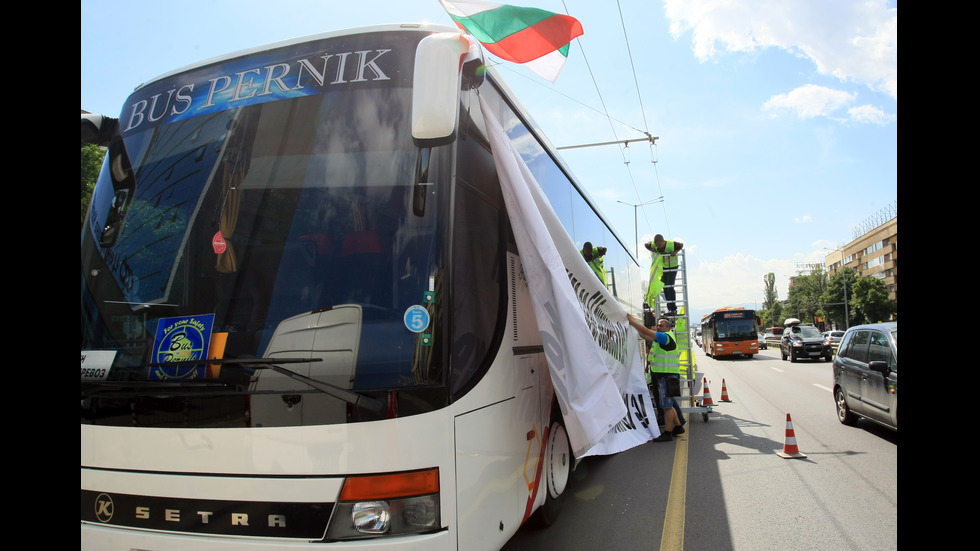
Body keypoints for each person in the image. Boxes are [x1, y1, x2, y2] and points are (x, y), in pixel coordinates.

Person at [627, 314, 684, 441]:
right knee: (669, 404)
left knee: (667, 406)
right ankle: (679, 426)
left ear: (668, 328)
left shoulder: (665, 337)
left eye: (661, 326)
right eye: (657, 325)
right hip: (664, 375)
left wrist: (631, 322)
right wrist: (633, 328)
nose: (658, 327)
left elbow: (646, 332)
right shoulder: (662, 338)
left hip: (667, 376)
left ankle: (668, 433)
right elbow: (645, 335)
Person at [644, 235, 683, 316]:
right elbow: (646, 245)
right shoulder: (654, 245)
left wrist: (675, 252)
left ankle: (673, 309)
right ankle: (670, 309)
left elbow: (681, 245)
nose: (658, 246)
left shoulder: (671, 244)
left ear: (663, 241)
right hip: (664, 267)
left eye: (660, 244)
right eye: (657, 244)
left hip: (673, 267)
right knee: (665, 288)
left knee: (670, 286)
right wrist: (652, 249)